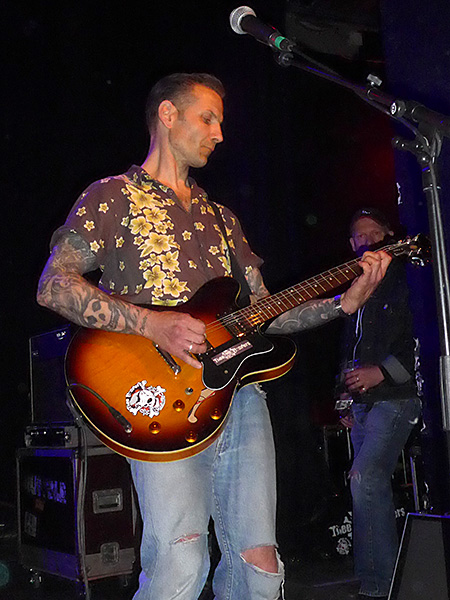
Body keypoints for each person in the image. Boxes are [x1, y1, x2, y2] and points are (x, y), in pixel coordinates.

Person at [36, 73, 390, 600]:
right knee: (181, 561)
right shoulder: (111, 197)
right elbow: (54, 285)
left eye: (220, 122)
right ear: (168, 115)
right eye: (208, 118)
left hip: (239, 396)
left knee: (260, 564)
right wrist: (151, 323)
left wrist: (342, 304)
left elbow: (266, 312)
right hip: (155, 397)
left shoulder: (222, 219)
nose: (219, 133)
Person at [337, 208, 422, 600]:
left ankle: (381, 586)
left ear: (388, 235)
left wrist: (382, 373)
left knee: (365, 477)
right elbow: (347, 347)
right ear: (351, 244)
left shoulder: (406, 279)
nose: (367, 240)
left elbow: (419, 339)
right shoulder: (355, 288)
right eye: (360, 236)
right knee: (365, 483)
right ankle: (373, 580)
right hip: (362, 403)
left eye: (375, 233)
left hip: (397, 397)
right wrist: (343, 395)